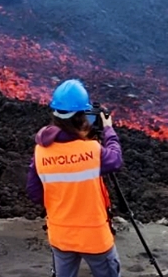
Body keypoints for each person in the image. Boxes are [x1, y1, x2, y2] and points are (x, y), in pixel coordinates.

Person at [27, 79, 123, 277]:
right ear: (82, 116)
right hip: (94, 237)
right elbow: (115, 160)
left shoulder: (40, 152)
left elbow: (35, 194)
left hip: (61, 235)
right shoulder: (91, 150)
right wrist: (108, 129)